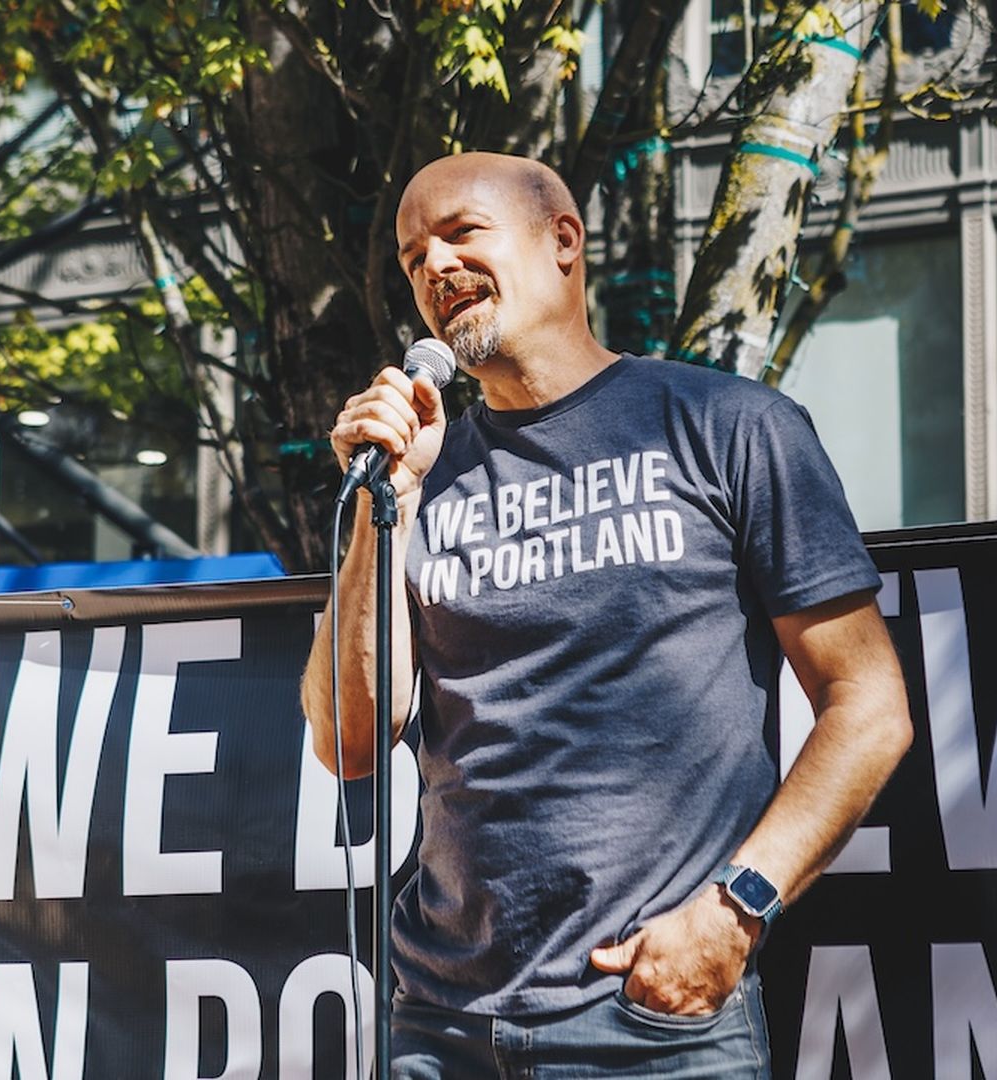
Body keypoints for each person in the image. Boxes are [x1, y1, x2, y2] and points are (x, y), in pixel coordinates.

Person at [300, 151, 912, 1077]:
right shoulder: (420, 475)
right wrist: (388, 508)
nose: (435, 268)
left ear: (563, 241)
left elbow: (868, 704)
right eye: (413, 257)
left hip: (651, 1021)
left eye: (461, 234)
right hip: (440, 1023)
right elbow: (350, 738)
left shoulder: (727, 426)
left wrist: (735, 909)